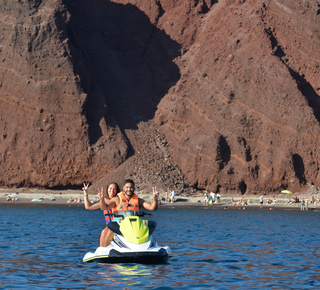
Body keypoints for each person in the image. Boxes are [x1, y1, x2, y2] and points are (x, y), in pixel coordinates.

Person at [99, 179, 159, 247]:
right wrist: (101, 199)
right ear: (123, 188)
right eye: (127, 187)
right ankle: (104, 249)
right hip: (119, 223)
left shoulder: (138, 201)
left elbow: (152, 207)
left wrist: (155, 199)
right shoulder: (117, 199)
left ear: (134, 188)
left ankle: (153, 248)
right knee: (110, 230)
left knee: (147, 231)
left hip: (134, 225)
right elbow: (104, 207)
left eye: (131, 187)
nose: (129, 189)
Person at [83, 182, 120, 246]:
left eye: (114, 189)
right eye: (110, 188)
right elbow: (88, 207)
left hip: (117, 226)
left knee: (106, 230)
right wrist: (86, 193)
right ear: (107, 190)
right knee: (104, 231)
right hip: (108, 227)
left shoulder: (117, 200)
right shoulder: (104, 201)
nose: (112, 190)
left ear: (117, 191)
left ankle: (105, 249)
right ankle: (102, 250)